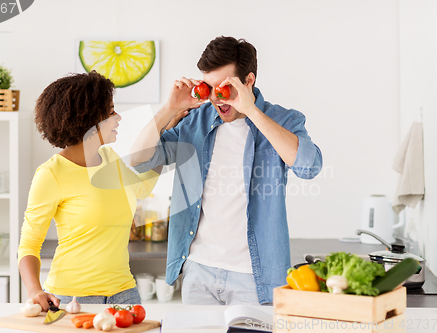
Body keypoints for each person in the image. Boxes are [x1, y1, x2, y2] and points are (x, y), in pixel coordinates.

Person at [130, 36, 323, 305]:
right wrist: (169, 109)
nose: (216, 98)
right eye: (209, 88)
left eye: (225, 88)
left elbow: (309, 166)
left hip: (254, 276)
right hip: (198, 269)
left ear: (248, 82)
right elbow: (139, 159)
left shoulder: (284, 120)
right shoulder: (195, 122)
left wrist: (251, 111)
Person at [18, 71, 160, 311]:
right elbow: (29, 244)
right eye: (111, 111)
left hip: (124, 293)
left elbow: (143, 188)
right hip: (71, 298)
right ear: (89, 119)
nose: (118, 117)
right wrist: (34, 291)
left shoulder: (109, 158)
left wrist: (163, 142)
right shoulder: (51, 174)